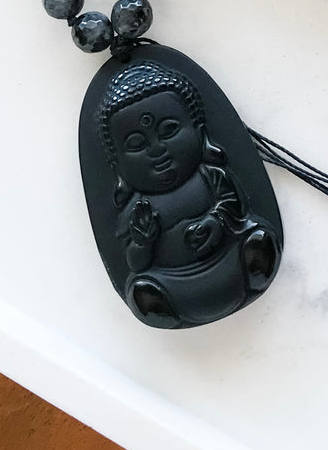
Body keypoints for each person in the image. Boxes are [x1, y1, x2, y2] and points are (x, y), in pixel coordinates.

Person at [97, 60, 279, 328]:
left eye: (169, 130)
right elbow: (134, 263)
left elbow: (235, 206)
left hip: (228, 260)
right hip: (174, 281)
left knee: (258, 239)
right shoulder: (138, 210)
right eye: (136, 144)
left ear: (200, 131)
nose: (157, 149)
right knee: (142, 289)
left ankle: (254, 272)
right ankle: (167, 309)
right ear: (118, 166)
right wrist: (143, 243)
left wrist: (216, 221)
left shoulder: (210, 176)